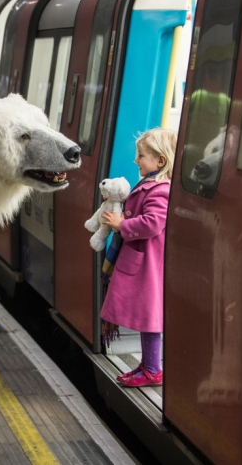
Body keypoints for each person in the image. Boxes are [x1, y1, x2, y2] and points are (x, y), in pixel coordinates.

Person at [100, 127, 177, 388]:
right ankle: (147, 365)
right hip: (140, 260)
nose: (136, 160)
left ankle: (154, 369)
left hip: (148, 263)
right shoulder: (150, 185)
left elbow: (154, 223)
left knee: (150, 318)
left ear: (160, 160)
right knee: (146, 318)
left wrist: (123, 224)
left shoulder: (161, 190)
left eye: (141, 156)